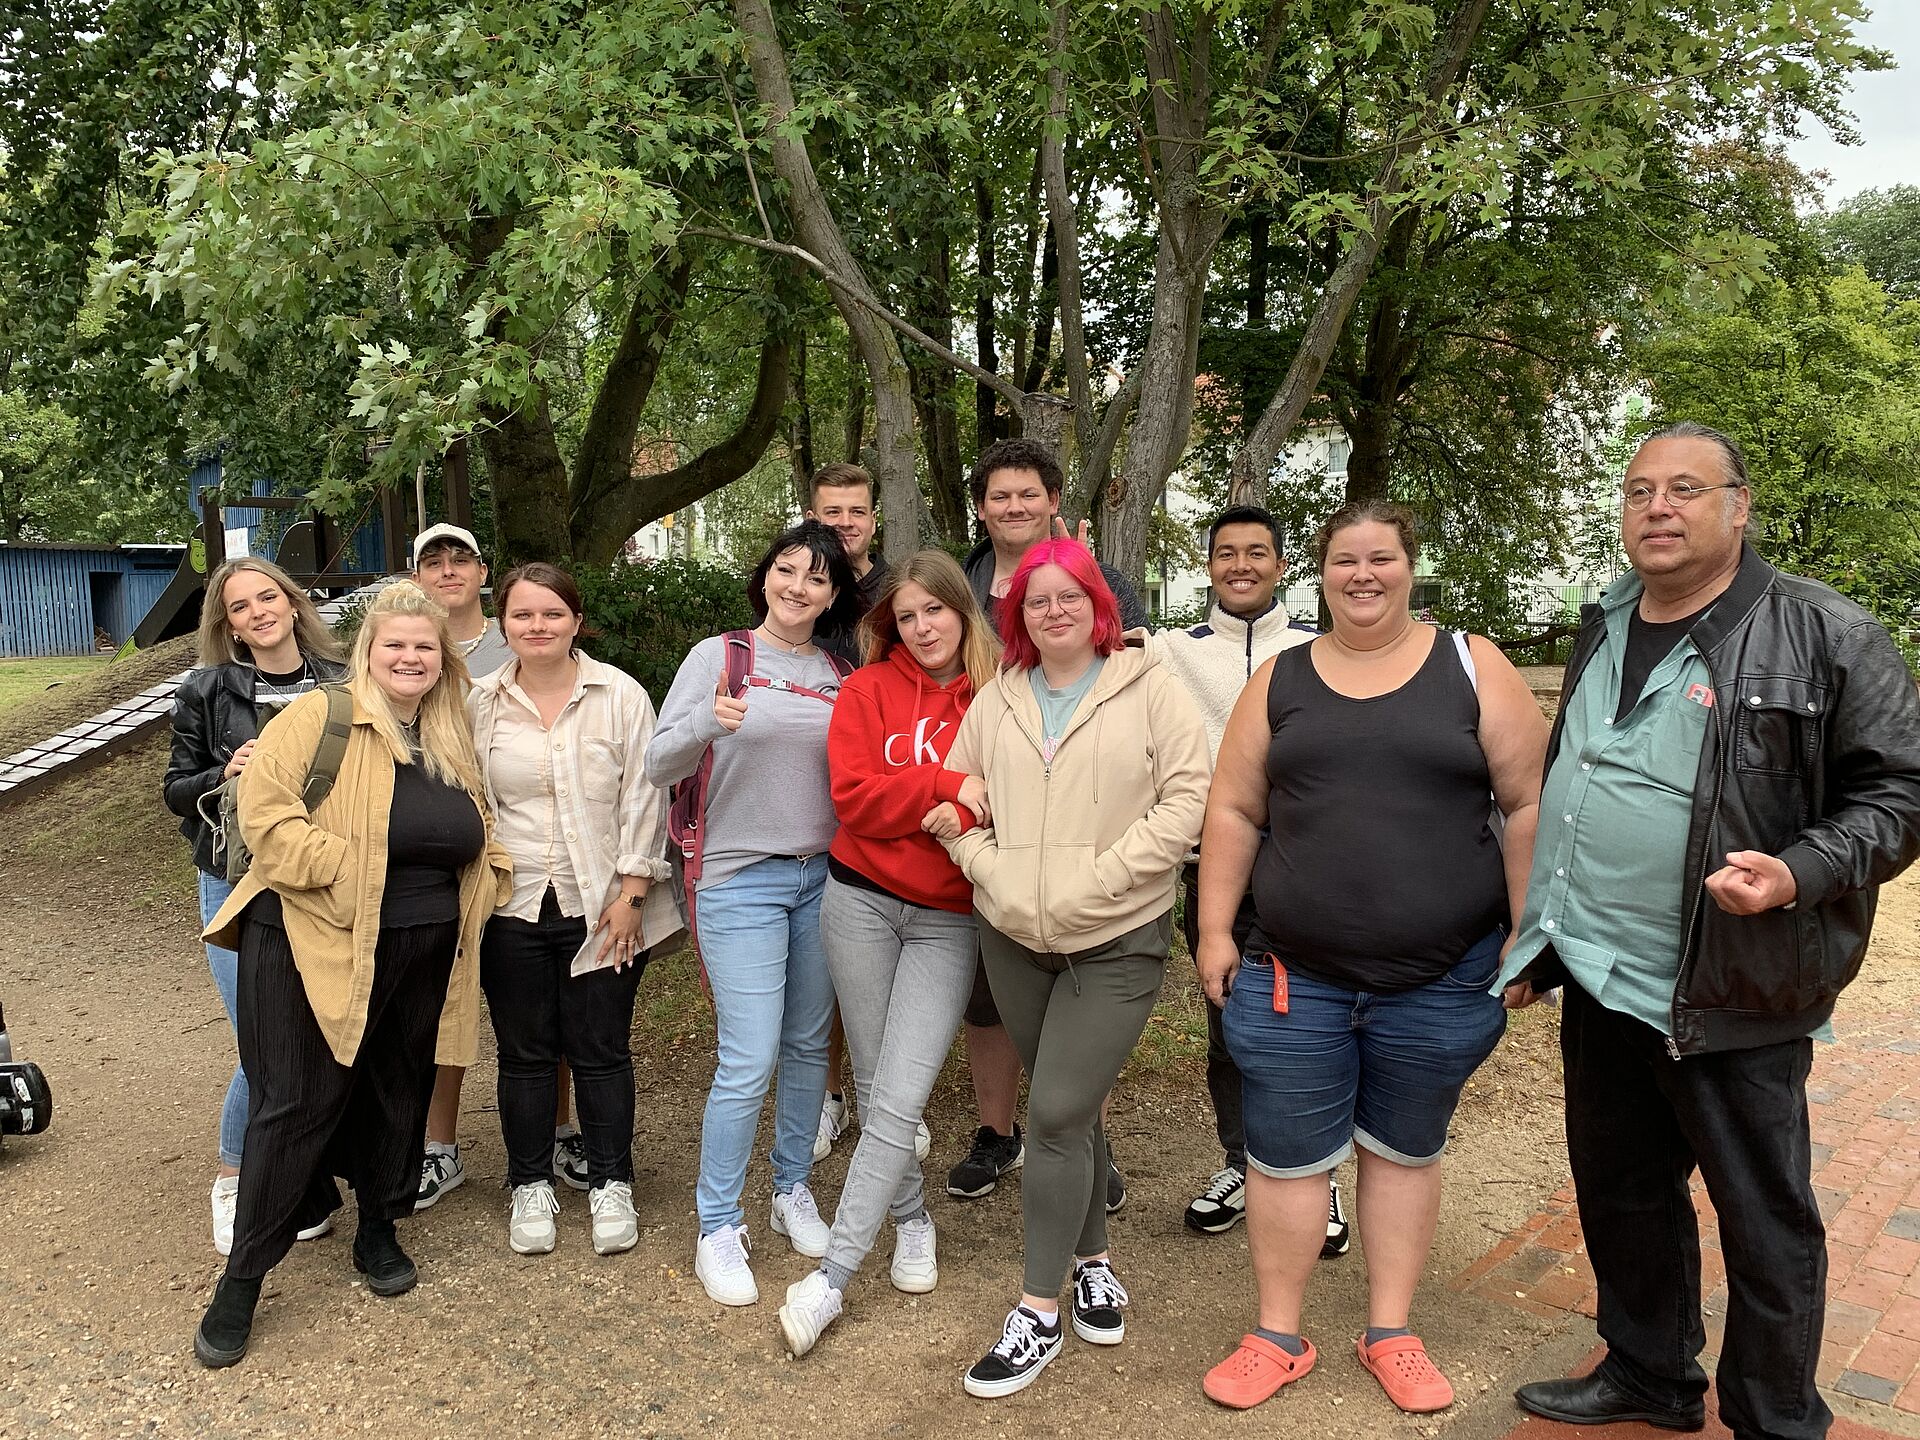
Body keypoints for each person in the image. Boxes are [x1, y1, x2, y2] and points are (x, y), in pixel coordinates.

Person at [1501, 423, 1920, 1440]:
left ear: (1739, 506)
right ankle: (1651, 1374)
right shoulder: (1603, 621)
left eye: (1685, 488)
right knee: (1621, 1191)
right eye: (1640, 490)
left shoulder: (1824, 631)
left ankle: (1775, 1416)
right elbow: (1582, 779)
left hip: (1733, 981)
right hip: (1601, 974)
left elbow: (1903, 791)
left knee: (1764, 1218)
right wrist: (1539, 940)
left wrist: (1795, 872)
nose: (1658, 507)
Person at [1194, 499, 1547, 1415]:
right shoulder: (1280, 679)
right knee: (1286, 1159)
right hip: (1292, 978)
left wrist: (1527, 926)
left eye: (1381, 558)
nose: (1363, 574)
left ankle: (1390, 1331)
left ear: (1409, 568)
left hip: (1443, 977)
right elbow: (1232, 810)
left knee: (1402, 1153)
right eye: (1345, 559)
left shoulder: (1473, 665)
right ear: (1320, 572)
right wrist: (1215, 929)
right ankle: (1278, 1333)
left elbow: (1527, 804)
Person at [193, 581, 513, 1368]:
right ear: (369, 651)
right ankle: (242, 1279)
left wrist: (489, 865)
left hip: (421, 944)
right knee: (295, 1102)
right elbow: (268, 821)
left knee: (396, 1089)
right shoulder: (319, 716)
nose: (410, 658)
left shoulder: (448, 736)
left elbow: (476, 822)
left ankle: (378, 1228)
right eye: (394, 645)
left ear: (443, 662)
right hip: (309, 938)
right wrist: (351, 871)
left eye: (425, 648)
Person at [940, 540, 1210, 1398]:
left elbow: (1188, 801)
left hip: (1117, 935)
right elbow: (955, 794)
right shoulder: (1000, 698)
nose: (1052, 611)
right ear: (1015, 616)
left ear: (1097, 602)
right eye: (1035, 601)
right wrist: (986, 861)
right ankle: (1093, 1259)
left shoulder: (1150, 687)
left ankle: (1037, 1312)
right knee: (1075, 1103)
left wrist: (1102, 877)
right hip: (1013, 934)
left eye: (1069, 596)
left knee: (1053, 1110)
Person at [779, 550, 1000, 1358]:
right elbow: (855, 800)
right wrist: (946, 788)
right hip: (860, 902)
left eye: (934, 611)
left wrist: (969, 807)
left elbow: (1008, 800)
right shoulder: (867, 690)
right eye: (906, 617)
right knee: (876, 1089)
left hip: (949, 917)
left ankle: (830, 1278)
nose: (922, 627)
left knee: (901, 1096)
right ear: (890, 625)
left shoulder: (1000, 696)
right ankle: (910, 1219)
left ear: (960, 611)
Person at [645, 519, 861, 1306]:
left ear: (833, 594)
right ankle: (717, 1223)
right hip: (737, 878)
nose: (797, 586)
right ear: (765, 574)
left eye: (816, 577)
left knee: (808, 1045)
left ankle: (791, 1187)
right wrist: (708, 722)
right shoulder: (721, 656)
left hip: (823, 877)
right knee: (750, 1054)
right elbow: (655, 765)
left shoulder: (844, 669)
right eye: (787, 569)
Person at [950, 437, 1149, 1208]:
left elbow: (1133, 666)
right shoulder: (961, 584)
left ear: (1054, 499)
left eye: (1027, 494)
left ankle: (1084, 1146)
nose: (1013, 507)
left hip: (1080, 822)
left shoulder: (1097, 580)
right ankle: (996, 1135)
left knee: (1077, 997)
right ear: (981, 508)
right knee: (988, 993)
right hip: (982, 811)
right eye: (999, 496)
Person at [468, 563, 682, 1258]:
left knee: (600, 1050)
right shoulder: (478, 702)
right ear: (504, 623)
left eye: (552, 614)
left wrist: (632, 894)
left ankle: (610, 1181)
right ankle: (529, 1183)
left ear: (576, 621)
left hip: (605, 906)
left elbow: (645, 799)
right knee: (524, 1054)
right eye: (524, 615)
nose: (538, 627)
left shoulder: (619, 696)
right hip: (512, 904)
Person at [1147, 506, 1344, 1247]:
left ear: (1281, 564)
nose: (1240, 566)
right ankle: (1240, 1159)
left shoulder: (1323, 648)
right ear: (1208, 566)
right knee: (1229, 1026)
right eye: (1226, 553)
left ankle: (1317, 1178)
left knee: (1313, 1025)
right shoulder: (1169, 650)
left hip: (1307, 868)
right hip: (1216, 869)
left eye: (1256, 553)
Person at [163, 557, 347, 1256]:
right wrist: (223, 771)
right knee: (261, 1036)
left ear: (293, 604)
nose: (259, 612)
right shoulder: (207, 690)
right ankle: (235, 1176)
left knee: (321, 1025)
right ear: (230, 625)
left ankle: (305, 1178)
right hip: (236, 877)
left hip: (323, 873)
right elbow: (176, 789)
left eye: (268, 596)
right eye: (241, 607)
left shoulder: (342, 683)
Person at [411, 522, 583, 1207]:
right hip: (442, 851)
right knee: (447, 1003)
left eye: (461, 559)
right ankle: (437, 1144)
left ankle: (564, 1130)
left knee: (552, 1007)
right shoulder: (403, 642)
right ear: (415, 575)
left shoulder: (513, 642)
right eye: (433, 561)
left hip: (529, 858)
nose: (448, 571)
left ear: (484, 572)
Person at [800, 463, 928, 1167]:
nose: (844, 523)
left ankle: (891, 1103)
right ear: (812, 515)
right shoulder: (801, 586)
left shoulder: (894, 593)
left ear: (874, 518)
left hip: (882, 797)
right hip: (808, 796)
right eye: (831, 512)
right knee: (826, 970)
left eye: (855, 511)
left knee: (888, 968)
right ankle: (828, 1097)